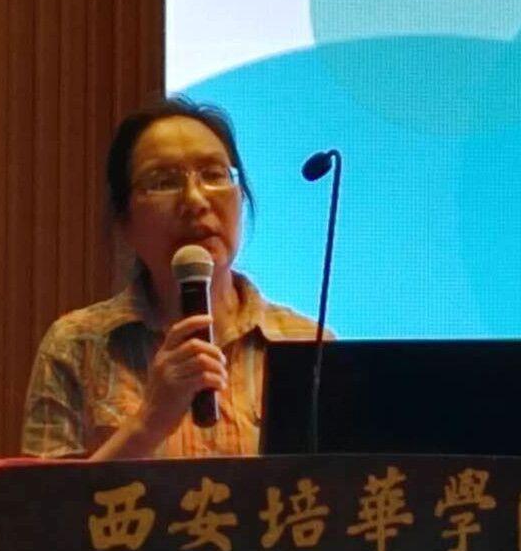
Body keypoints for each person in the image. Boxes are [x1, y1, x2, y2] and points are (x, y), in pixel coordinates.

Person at [21, 97, 321, 459]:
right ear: (124, 222)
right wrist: (149, 421)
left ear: (241, 198)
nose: (195, 200)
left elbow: (346, 487)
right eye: (164, 182)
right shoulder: (76, 346)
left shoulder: (309, 343)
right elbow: (46, 495)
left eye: (214, 175)